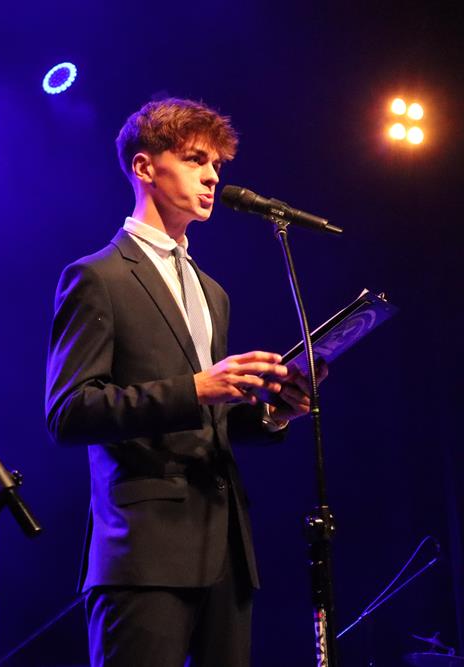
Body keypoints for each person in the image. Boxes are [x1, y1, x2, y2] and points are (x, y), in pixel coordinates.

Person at [44, 98, 321, 666]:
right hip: (143, 553)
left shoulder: (212, 291)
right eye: (196, 160)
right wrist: (196, 387)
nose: (213, 176)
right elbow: (69, 412)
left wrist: (273, 413)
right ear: (145, 167)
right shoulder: (97, 277)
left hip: (225, 549)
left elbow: (209, 420)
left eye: (217, 164)